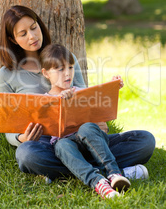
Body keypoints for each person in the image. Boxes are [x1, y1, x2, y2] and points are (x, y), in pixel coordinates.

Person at [0, 5, 155, 187]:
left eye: (34, 27)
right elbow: (9, 131)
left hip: (82, 137)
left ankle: (63, 174)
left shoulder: (65, 57)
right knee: (26, 155)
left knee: (145, 140)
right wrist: (22, 138)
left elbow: (84, 98)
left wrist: (97, 120)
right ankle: (116, 172)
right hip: (47, 145)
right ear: (13, 39)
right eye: (23, 33)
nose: (32, 36)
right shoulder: (6, 75)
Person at [40, 43, 131, 198]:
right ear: (46, 73)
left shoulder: (83, 92)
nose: (67, 73)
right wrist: (59, 101)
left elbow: (102, 114)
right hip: (67, 146)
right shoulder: (45, 100)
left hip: (90, 139)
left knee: (87, 128)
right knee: (61, 145)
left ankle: (114, 174)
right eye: (60, 69)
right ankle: (98, 183)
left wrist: (113, 86)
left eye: (70, 67)